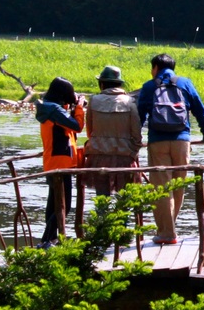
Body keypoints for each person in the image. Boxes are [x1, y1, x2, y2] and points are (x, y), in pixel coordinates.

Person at [137, 53, 204, 245]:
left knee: (161, 188)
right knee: (178, 186)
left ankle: (166, 232)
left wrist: (134, 140)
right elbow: (200, 110)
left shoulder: (149, 86)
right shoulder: (185, 83)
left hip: (158, 142)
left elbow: (139, 116)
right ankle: (169, 227)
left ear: (155, 67)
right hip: (182, 142)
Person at [34, 75, 84, 243]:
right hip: (61, 163)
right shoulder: (55, 111)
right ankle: (47, 239)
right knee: (64, 205)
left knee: (53, 204)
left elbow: (67, 128)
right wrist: (79, 108)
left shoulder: (49, 108)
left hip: (53, 161)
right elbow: (77, 126)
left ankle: (49, 240)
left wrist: (70, 107)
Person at [82, 65, 142, 196]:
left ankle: (102, 216)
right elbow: (136, 134)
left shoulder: (93, 101)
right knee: (124, 199)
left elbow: (90, 131)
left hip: (98, 156)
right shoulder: (130, 102)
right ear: (119, 85)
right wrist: (133, 151)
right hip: (124, 156)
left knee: (102, 198)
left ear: (102, 84)